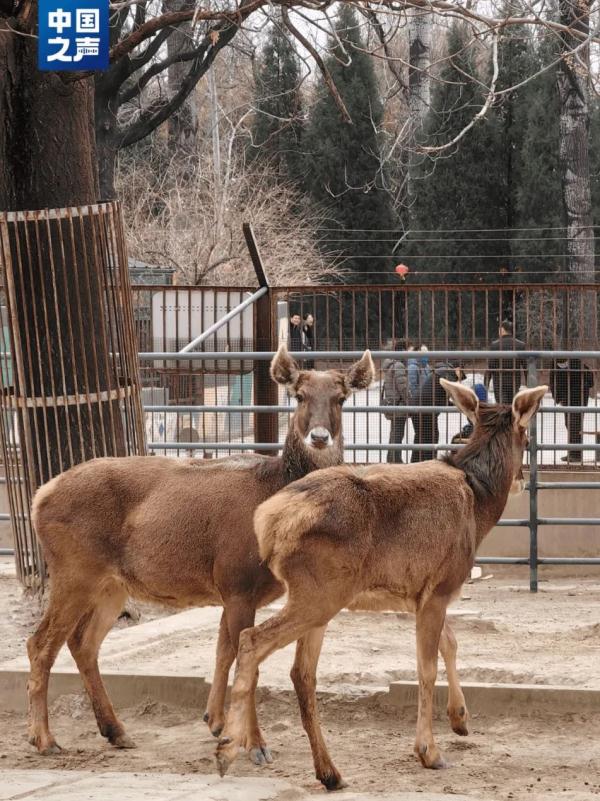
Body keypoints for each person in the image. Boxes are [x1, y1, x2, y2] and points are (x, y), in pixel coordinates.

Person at [410, 360, 466, 463]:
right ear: (458, 369)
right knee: (431, 437)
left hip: (419, 405)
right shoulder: (448, 374)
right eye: (461, 374)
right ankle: (428, 463)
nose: (459, 379)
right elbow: (452, 395)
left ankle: (415, 463)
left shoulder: (441, 371)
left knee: (421, 437)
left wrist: (455, 405)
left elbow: (442, 398)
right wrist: (460, 405)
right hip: (425, 408)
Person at [550, 358, 593, 464]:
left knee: (575, 426)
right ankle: (573, 452)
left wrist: (558, 396)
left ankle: (576, 455)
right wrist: (558, 397)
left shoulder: (578, 365)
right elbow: (555, 382)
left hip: (577, 400)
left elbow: (590, 382)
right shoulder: (558, 366)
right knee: (570, 425)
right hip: (569, 399)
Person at [381, 339, 409, 463]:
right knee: (397, 434)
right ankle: (395, 459)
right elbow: (402, 387)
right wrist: (410, 402)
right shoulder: (399, 366)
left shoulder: (391, 364)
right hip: (398, 405)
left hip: (392, 404)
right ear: (403, 350)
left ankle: (392, 458)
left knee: (394, 433)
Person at [485, 320, 527, 404]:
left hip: (499, 382)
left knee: (502, 408)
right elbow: (526, 366)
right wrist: (529, 383)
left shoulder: (495, 345)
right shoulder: (520, 345)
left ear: (502, 330)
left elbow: (490, 366)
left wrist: (486, 384)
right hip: (514, 381)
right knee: (513, 407)